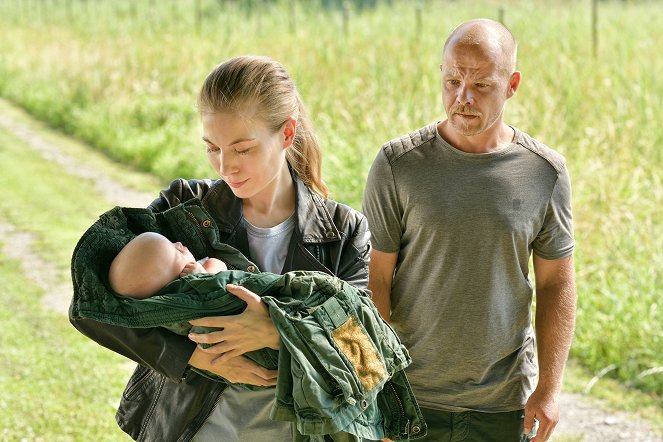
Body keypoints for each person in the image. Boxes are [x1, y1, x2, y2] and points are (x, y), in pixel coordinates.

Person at [69, 55, 372, 441]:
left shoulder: (344, 230)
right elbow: (92, 306)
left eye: (243, 149)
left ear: (287, 133)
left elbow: (364, 358)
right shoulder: (185, 207)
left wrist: (278, 331)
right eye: (212, 148)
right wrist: (194, 357)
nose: (225, 167)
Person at [362, 19, 576, 442]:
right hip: (411, 395)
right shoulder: (397, 165)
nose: (463, 97)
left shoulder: (544, 172)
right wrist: (376, 389)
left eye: (482, 85)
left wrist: (549, 389)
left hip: (503, 402)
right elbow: (373, 281)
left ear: (512, 85)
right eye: (452, 80)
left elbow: (556, 284)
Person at [108, 231, 228, 299]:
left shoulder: (198, 268)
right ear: (171, 283)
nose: (179, 243)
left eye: (172, 242)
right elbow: (220, 269)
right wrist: (203, 279)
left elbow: (218, 264)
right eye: (178, 252)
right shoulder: (184, 293)